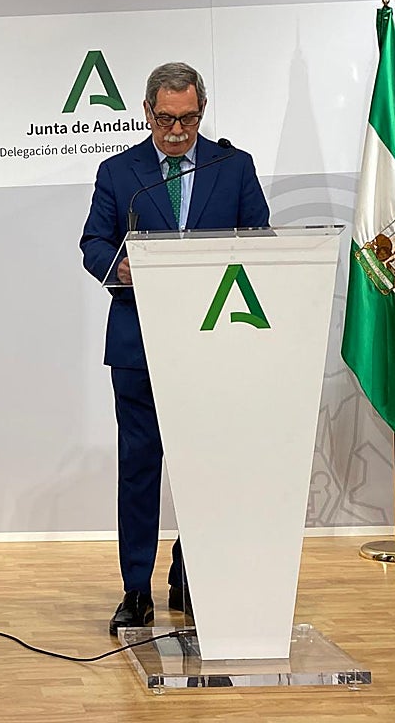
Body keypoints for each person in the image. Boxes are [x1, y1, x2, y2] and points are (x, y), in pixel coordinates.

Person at [79, 62, 270, 631]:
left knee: (206, 465)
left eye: (187, 119)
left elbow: (258, 239)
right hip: (139, 342)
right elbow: (93, 243)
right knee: (140, 467)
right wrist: (123, 268)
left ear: (201, 112)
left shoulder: (233, 167)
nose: (177, 131)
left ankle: (193, 572)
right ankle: (135, 588)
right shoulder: (121, 173)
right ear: (146, 112)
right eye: (166, 119)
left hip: (214, 342)